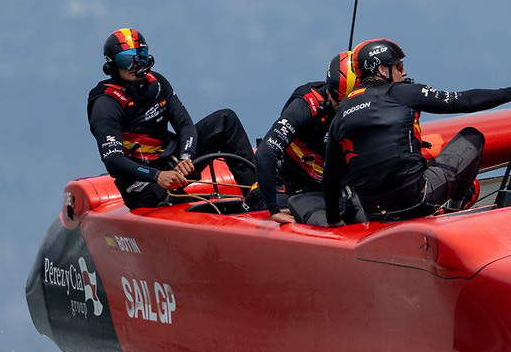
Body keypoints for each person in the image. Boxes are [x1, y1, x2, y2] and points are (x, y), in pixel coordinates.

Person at [323, 39, 511, 225]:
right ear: (382, 70)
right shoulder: (402, 93)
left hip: (375, 214)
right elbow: (463, 101)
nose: (403, 73)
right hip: (416, 200)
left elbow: (330, 177)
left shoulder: (341, 112)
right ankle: (455, 210)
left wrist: (334, 224)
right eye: (399, 67)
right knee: (471, 137)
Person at [87, 28, 256, 210]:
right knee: (160, 196)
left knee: (225, 119)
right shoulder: (105, 103)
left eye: (141, 56)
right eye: (127, 61)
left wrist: (186, 156)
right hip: (143, 185)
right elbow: (113, 159)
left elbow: (184, 124)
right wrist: (157, 176)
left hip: (173, 165)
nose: (136, 65)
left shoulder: (157, 83)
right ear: (112, 66)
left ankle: (258, 196)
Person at [251, 51, 361, 225]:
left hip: (350, 187)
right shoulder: (307, 104)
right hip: (308, 193)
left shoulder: (369, 103)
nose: (346, 110)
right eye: (341, 104)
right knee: (331, 229)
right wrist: (274, 210)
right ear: (330, 93)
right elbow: (266, 152)